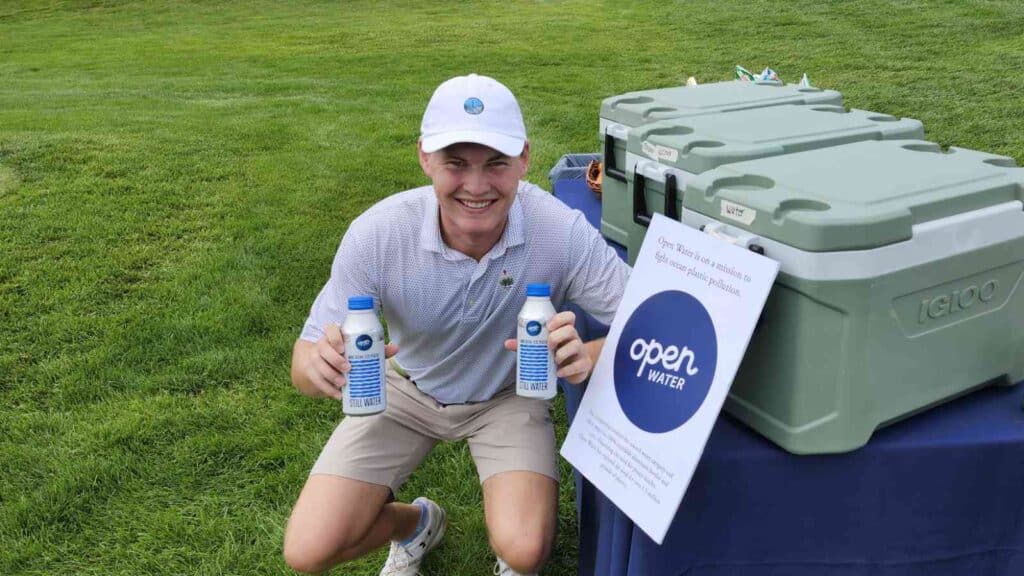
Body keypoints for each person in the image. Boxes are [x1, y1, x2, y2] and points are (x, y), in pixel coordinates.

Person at [283, 73, 629, 575]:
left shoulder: (559, 230)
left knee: (525, 550)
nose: (476, 185)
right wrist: (317, 366)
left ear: (524, 159)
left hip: (508, 395)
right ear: (425, 157)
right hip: (405, 389)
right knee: (307, 550)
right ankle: (417, 524)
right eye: (455, 163)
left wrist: (588, 357)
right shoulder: (379, 232)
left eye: (496, 164)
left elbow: (650, 319)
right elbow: (303, 358)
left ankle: (507, 550)